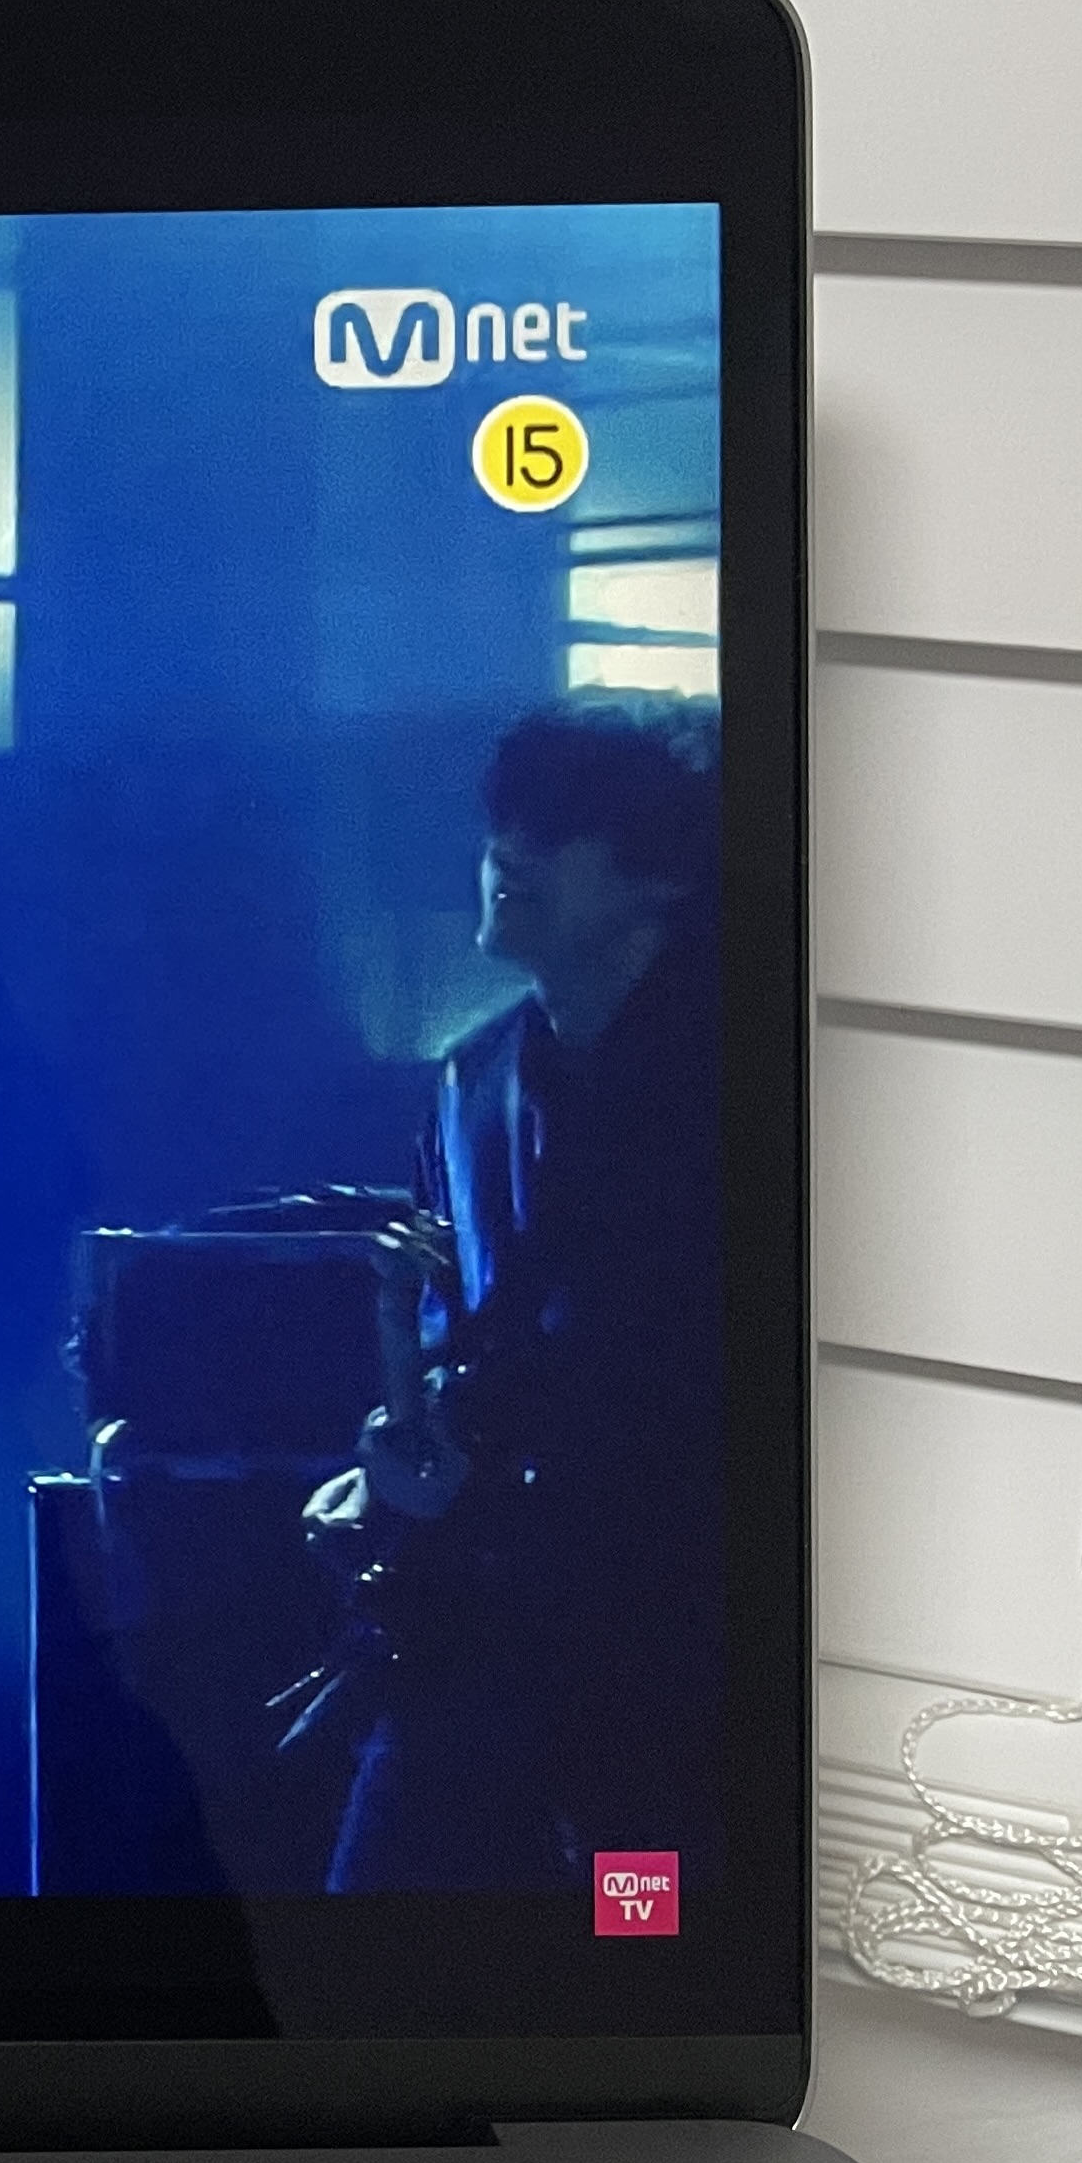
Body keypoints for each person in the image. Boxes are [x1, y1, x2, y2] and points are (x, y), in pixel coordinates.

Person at [312, 692, 725, 1893]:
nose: (511, 850)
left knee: (646, 1937)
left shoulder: (739, 1078)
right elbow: (470, 1331)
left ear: (664, 875)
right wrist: (398, 1458)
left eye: (561, 824)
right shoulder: (473, 1076)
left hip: (663, 1651)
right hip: (477, 1629)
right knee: (374, 1929)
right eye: (507, 817)